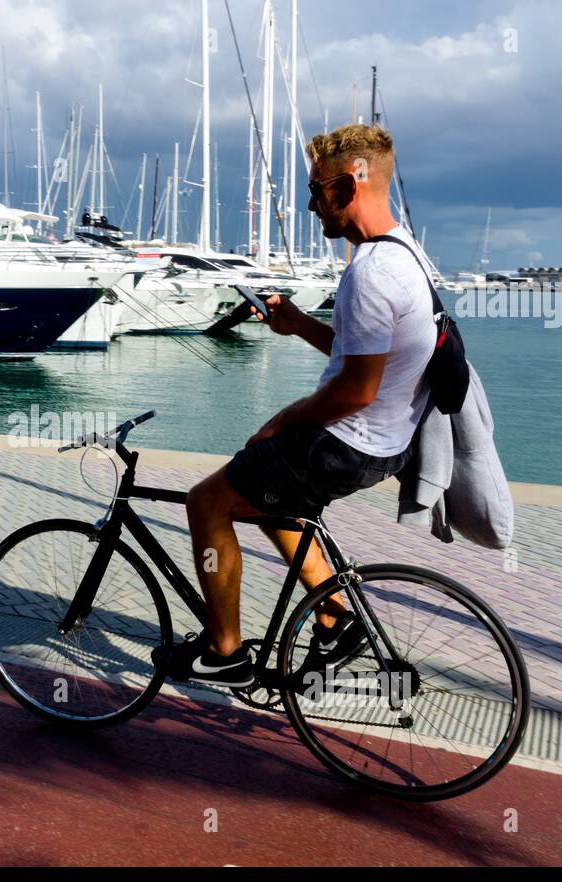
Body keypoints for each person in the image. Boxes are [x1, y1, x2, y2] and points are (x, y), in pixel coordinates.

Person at [151, 123, 436, 688]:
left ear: (348, 188)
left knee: (207, 501)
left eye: (315, 190)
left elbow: (355, 391)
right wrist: (300, 324)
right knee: (268, 494)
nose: (309, 205)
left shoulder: (370, 271)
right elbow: (366, 358)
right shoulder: (408, 253)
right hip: (388, 443)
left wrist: (277, 423)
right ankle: (333, 620)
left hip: (348, 443)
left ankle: (224, 652)